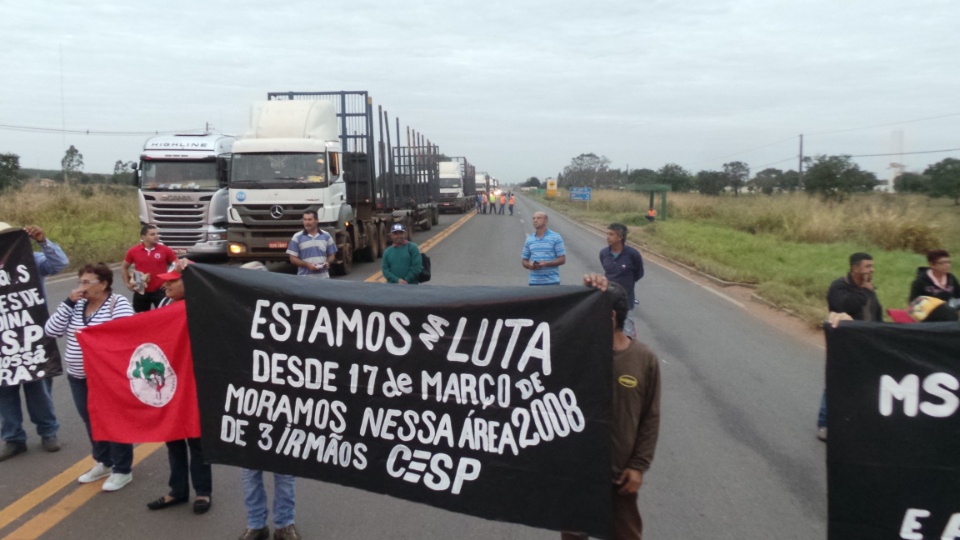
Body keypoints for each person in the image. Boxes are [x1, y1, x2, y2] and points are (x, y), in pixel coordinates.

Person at [563, 274, 661, 540]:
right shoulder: (575, 352)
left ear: (611, 318)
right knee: (573, 535)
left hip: (621, 476)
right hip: (580, 471)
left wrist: (638, 466)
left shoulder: (644, 360)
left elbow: (650, 418)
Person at [44, 263, 136, 491]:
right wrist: (67, 303)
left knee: (113, 420)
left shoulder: (117, 303)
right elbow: (51, 330)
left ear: (103, 284)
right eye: (80, 282)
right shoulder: (75, 306)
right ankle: (103, 461)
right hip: (78, 375)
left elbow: (128, 332)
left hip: (106, 377)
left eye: (87, 282)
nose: (82, 287)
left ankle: (122, 469)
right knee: (90, 419)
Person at [236, 261, 301, 540]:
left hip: (281, 406)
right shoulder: (231, 317)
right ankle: (256, 524)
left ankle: (284, 524)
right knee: (251, 471)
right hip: (246, 406)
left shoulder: (285, 318)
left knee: (283, 471)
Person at [145, 262, 213, 514]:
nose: (166, 285)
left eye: (172, 281)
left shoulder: (202, 305)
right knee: (173, 439)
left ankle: (203, 492)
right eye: (166, 281)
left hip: (194, 384)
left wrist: (194, 268)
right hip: (169, 384)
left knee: (196, 441)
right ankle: (177, 490)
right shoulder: (164, 305)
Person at [0, 223, 68, 462]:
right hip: (3, 342)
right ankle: (13, 439)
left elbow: (59, 264)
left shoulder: (32, 260)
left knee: (38, 388)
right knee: (4, 391)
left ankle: (48, 432)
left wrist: (43, 240)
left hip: (33, 338)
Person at [817, 252, 882, 442]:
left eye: (872, 266)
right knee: (836, 382)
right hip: (844, 344)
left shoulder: (869, 290)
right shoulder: (839, 286)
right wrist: (865, 291)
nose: (872, 270)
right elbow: (843, 306)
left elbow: (876, 314)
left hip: (868, 344)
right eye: (868, 266)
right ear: (855, 268)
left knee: (865, 383)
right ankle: (825, 424)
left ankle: (856, 423)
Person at [599, 224, 645, 339]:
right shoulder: (604, 253)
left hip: (626, 300)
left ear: (620, 237)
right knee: (608, 331)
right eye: (607, 234)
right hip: (608, 298)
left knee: (627, 333)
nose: (608, 237)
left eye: (611, 234)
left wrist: (627, 283)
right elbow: (607, 271)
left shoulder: (632, 254)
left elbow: (638, 273)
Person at [122, 224, 177, 312]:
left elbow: (177, 265)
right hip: (141, 289)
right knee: (141, 318)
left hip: (160, 290)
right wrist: (128, 284)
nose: (156, 236)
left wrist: (169, 281)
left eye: (157, 234)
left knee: (163, 317)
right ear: (143, 237)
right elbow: (124, 267)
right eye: (152, 234)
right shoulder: (133, 251)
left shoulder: (165, 250)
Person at [286, 211, 338, 278]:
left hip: (324, 279)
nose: (307, 222)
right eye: (305, 219)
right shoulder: (297, 237)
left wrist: (327, 262)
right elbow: (293, 259)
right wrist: (307, 265)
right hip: (305, 280)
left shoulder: (326, 236)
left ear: (317, 220)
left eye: (310, 220)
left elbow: (332, 255)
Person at [522, 212, 566, 286]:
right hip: (534, 282)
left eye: (539, 218)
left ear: (546, 221)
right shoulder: (529, 239)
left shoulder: (556, 237)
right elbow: (524, 261)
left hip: (552, 282)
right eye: (534, 218)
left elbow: (562, 259)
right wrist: (529, 265)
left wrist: (546, 263)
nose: (535, 220)